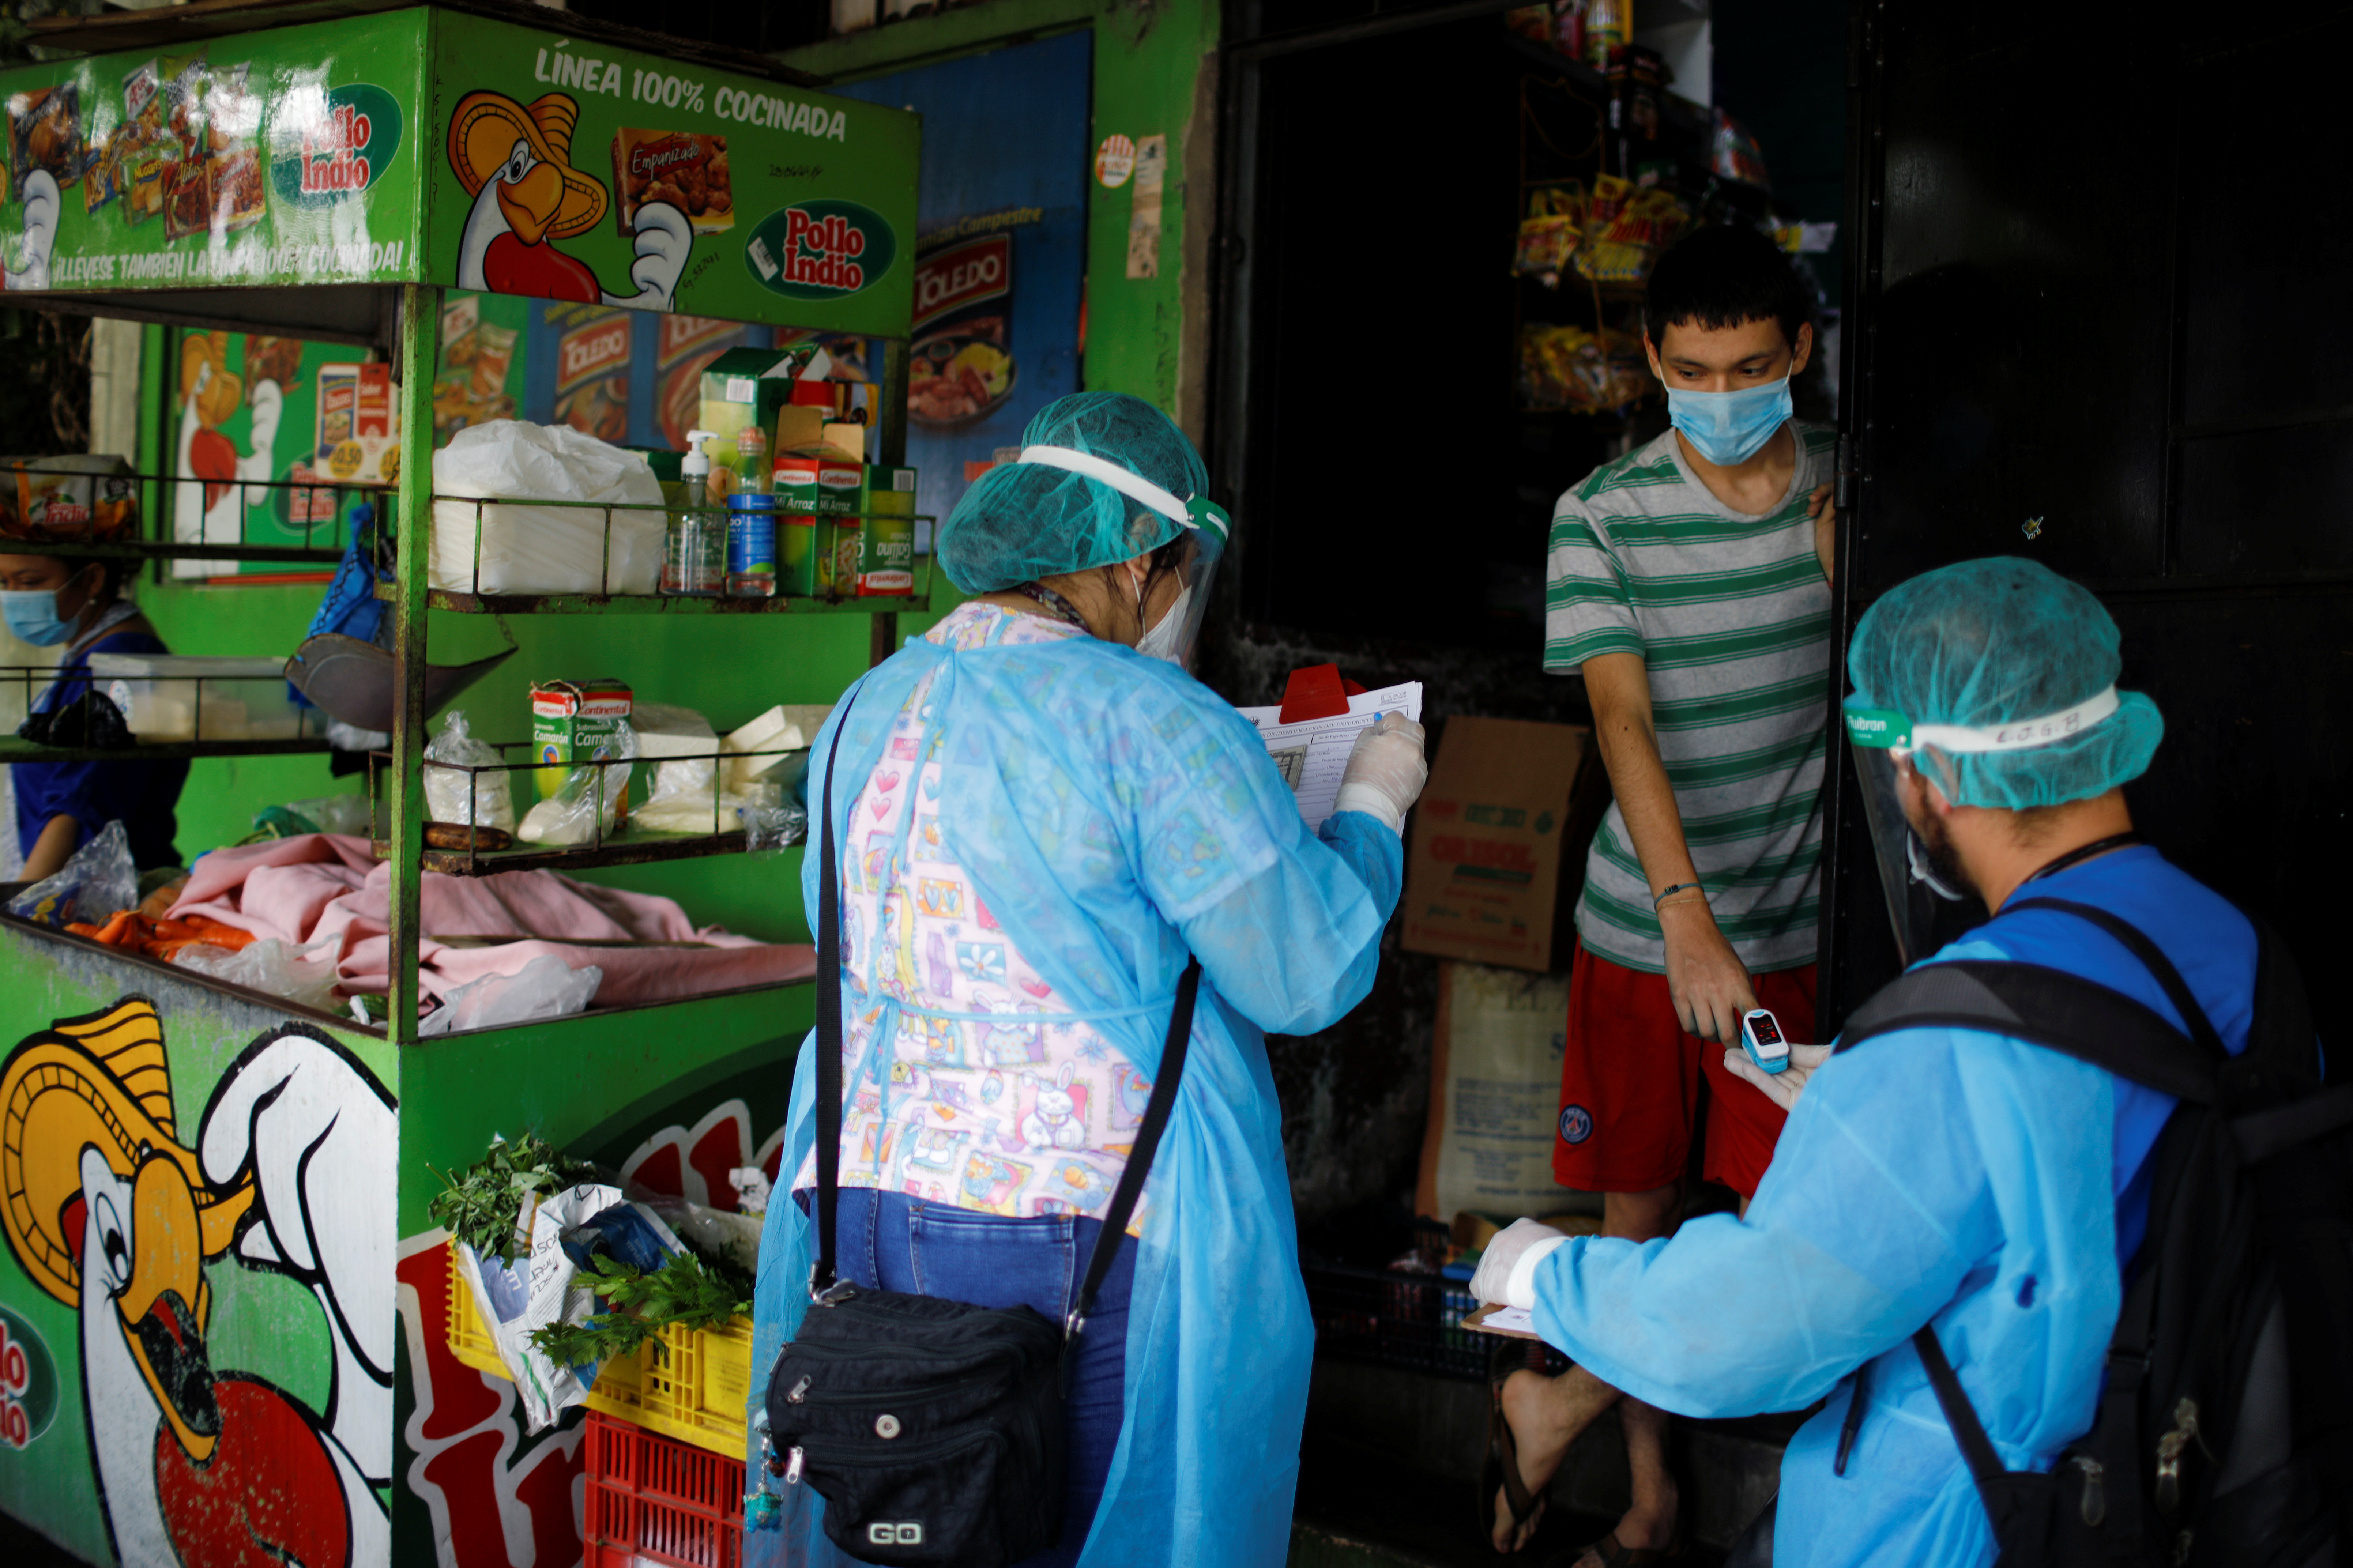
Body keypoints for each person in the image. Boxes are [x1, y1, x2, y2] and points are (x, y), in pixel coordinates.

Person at [1473, 556, 2289, 1567]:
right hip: (2166, 1490)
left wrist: (1545, 1277)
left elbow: (1748, 1332)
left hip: (1964, 1524)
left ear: (1931, 773)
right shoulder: (2237, 945)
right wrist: (1872, 1094)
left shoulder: (1953, 1037)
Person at [746, 392, 1430, 1568]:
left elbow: (842, 924)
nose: (1173, 604)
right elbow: (1300, 971)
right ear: (1130, 559)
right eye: (1175, 574)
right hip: (1079, 1226)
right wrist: (1371, 803)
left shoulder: (868, 707)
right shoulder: (1150, 718)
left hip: (858, 1201)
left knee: (907, 1524)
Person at [1505, 223, 1838, 1559]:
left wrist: (1844, 582)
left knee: (1789, 1226)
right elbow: (1621, 723)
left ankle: (1563, 1396)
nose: (1718, 395)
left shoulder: (1843, 494)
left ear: (1799, 353)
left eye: (1748, 366)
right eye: (1691, 370)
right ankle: (1649, 1502)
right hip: (1647, 934)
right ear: (1648, 359)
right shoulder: (1599, 517)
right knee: (1635, 1207)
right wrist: (1685, 918)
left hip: (1803, 931)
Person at [2, 551, 188, 880]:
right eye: (4, 583)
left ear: (92, 580)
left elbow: (78, 804)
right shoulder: (86, 653)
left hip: (95, 895)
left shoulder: (120, 659)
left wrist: (22, 908)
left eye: (30, 582)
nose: (15, 596)